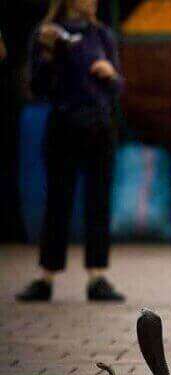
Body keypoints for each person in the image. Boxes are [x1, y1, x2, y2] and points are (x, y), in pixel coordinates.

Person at [16, 0, 125, 303]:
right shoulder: (46, 34)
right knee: (58, 202)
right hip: (64, 123)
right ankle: (46, 276)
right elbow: (37, 87)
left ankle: (97, 275)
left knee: (98, 201)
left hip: (99, 126)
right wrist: (50, 55)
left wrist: (110, 75)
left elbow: (118, 87)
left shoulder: (101, 35)